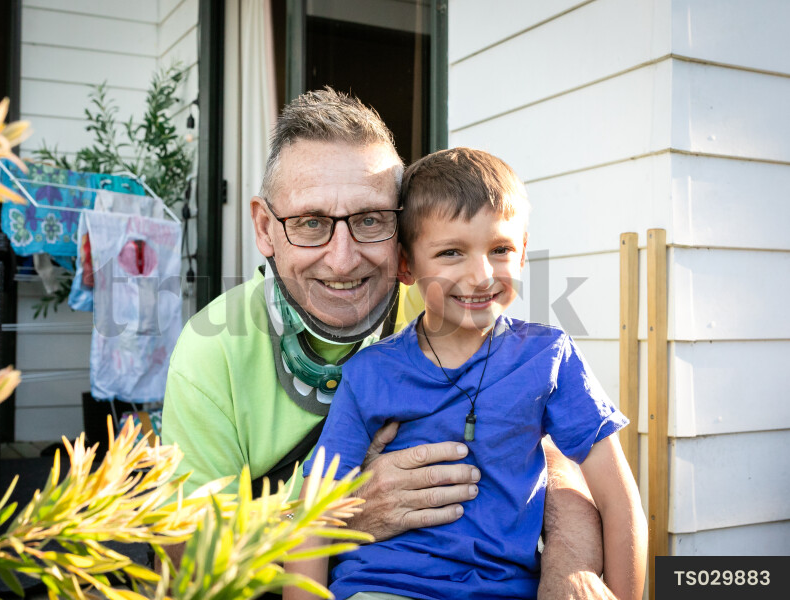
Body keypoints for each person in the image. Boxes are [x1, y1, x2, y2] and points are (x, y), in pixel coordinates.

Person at [161, 88, 618, 597]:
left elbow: (545, 451)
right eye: (311, 223)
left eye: (369, 220)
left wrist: (569, 570)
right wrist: (339, 513)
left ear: (403, 237)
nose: (342, 260)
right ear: (266, 228)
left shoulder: (446, 301)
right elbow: (186, 556)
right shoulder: (210, 351)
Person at [286, 148, 647, 600]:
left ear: (523, 251)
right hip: (384, 587)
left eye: (500, 250)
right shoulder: (369, 374)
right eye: (451, 252)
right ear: (405, 264)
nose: (481, 275)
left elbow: (618, 499)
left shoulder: (549, 357)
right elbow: (314, 516)